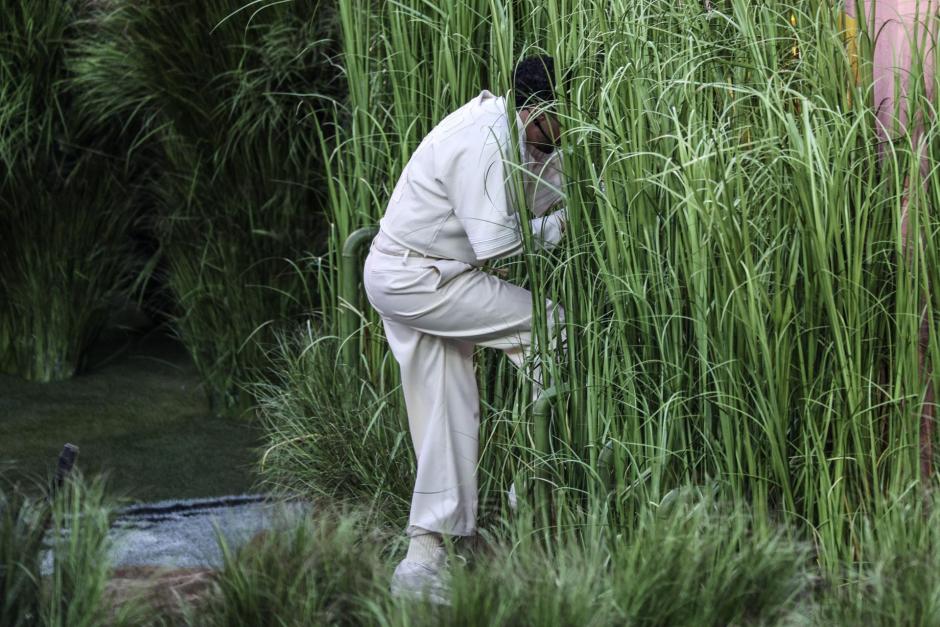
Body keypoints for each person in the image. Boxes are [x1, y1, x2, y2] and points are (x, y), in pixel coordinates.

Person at [362, 55, 568, 603]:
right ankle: (539, 485)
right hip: (416, 275)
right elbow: (499, 244)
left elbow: (537, 190)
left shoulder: (525, 134)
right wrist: (572, 220)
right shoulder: (486, 138)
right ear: (534, 110)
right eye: (562, 113)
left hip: (420, 271)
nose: (571, 123)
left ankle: (423, 562)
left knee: (447, 408)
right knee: (547, 324)